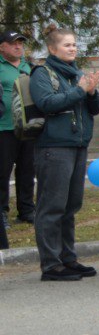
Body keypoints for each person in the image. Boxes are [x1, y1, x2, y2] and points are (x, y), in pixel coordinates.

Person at [30, 25, 99, 282]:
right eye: (67, 45)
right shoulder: (42, 73)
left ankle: (68, 258)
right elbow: (47, 103)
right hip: (54, 147)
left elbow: (95, 108)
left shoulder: (76, 74)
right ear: (52, 49)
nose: (73, 49)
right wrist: (80, 90)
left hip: (77, 145)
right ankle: (51, 265)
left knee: (71, 205)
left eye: (74, 44)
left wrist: (91, 92)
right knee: (52, 206)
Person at [0, 31, 34, 230]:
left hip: (27, 127)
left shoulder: (26, 66)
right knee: (3, 172)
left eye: (21, 43)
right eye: (13, 43)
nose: (18, 47)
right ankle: (2, 212)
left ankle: (27, 209)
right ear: (2, 46)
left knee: (27, 170)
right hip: (4, 127)